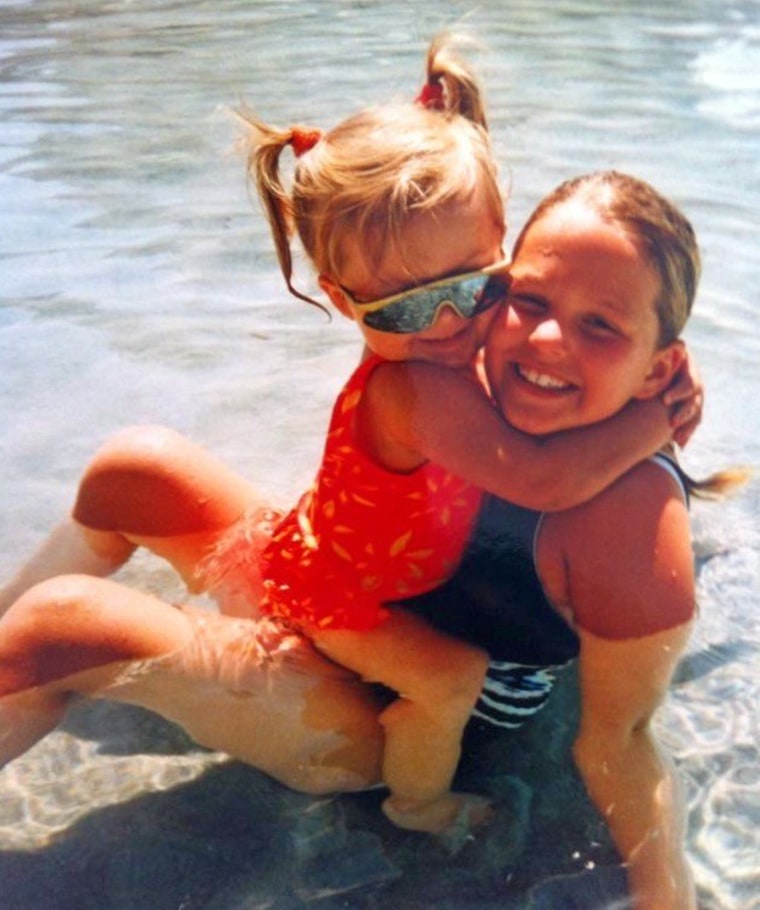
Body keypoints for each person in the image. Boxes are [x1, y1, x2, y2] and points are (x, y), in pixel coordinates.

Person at [0, 37, 698, 839]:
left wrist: (659, 382)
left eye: (481, 288)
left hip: (362, 649)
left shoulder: (530, 348)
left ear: (507, 250)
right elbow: (551, 462)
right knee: (128, 484)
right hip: (340, 602)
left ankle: (414, 801)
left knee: (84, 586)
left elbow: (613, 303)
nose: (447, 325)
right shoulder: (431, 376)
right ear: (343, 301)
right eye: (403, 309)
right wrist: (658, 410)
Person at [399, 170, 746, 909]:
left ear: (659, 368)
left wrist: (664, 893)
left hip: (441, 722)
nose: (548, 338)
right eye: (530, 301)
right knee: (137, 470)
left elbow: (619, 739)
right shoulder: (464, 377)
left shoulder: (623, 516)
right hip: (374, 641)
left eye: (601, 326)